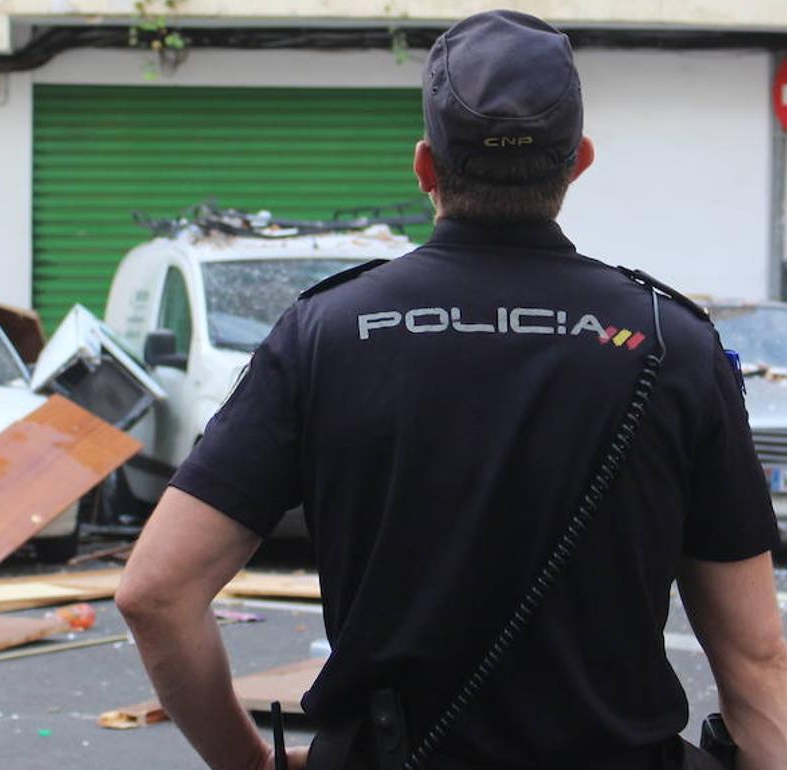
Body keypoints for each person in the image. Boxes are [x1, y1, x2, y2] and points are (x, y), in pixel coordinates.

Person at [116, 10, 787, 770]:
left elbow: (156, 594)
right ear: (578, 164)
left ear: (426, 168)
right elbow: (757, 664)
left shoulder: (326, 333)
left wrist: (250, 765)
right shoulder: (674, 346)